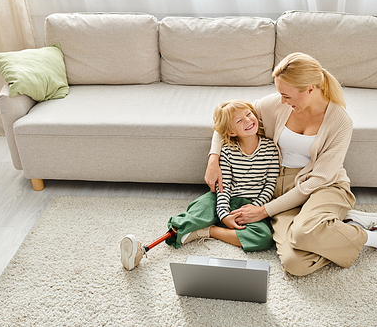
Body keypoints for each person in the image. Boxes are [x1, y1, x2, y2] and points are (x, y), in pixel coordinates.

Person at [205, 53, 377, 276]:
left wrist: (264, 211)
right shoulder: (278, 104)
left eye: (286, 95)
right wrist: (214, 158)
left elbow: (317, 180)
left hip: (324, 186)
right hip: (283, 189)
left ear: (310, 89)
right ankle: (337, 225)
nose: (281, 100)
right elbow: (226, 118)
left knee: (302, 233)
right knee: (295, 264)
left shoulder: (340, 121)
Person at [120, 99, 280, 271]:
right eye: (239, 121)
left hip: (251, 204)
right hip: (223, 196)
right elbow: (223, 187)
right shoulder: (226, 150)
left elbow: (269, 185)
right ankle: (141, 251)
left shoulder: (271, 149)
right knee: (197, 211)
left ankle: (208, 231)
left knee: (264, 237)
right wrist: (224, 213)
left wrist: (252, 209)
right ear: (231, 132)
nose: (248, 120)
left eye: (249, 114)